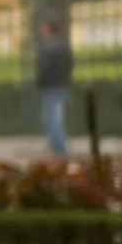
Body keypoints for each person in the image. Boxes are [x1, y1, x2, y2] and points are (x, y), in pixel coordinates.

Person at [36, 15, 73, 160]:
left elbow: (43, 69)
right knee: (50, 118)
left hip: (51, 87)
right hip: (62, 86)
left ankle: (62, 152)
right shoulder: (64, 45)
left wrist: (40, 82)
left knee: (53, 120)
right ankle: (56, 150)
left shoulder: (48, 46)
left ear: (48, 28)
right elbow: (70, 64)